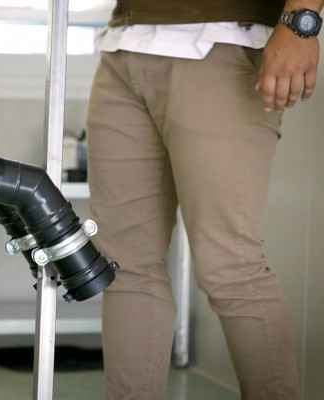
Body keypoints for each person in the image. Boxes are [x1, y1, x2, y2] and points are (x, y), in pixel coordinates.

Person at [87, 1, 322, 399]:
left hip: (223, 39)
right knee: (123, 265)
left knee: (230, 266)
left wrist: (302, 23)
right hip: (125, 46)